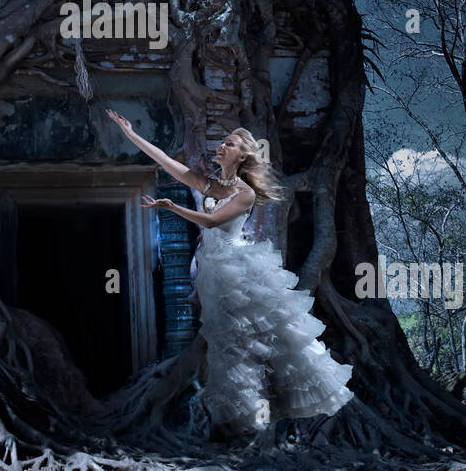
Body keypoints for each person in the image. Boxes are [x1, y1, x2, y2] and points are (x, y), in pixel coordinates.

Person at [105, 109, 354, 442]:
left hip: (237, 272)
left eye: (229, 143)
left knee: (246, 348)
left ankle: (252, 429)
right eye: (221, 142)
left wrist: (172, 207)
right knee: (226, 348)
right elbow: (167, 162)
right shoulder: (210, 184)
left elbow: (211, 221)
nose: (221, 147)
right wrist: (131, 134)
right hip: (214, 272)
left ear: (242, 155)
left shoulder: (245, 194)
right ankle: (235, 430)